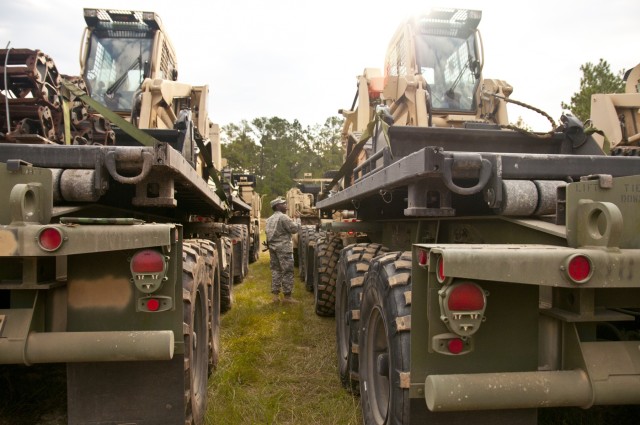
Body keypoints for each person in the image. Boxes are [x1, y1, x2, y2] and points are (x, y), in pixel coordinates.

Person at [265, 197, 299, 303]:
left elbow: (267, 234)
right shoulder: (283, 217)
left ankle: (275, 297)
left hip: (273, 248)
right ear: (277, 206)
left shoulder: (269, 219)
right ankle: (287, 297)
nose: (285, 205)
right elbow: (294, 229)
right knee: (287, 271)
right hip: (284, 248)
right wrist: (298, 220)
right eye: (283, 204)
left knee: (276, 271)